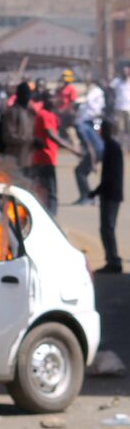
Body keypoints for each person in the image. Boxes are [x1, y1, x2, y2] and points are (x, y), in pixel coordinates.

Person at [32, 91, 81, 216]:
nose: (53, 100)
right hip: (44, 158)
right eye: (50, 98)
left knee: (45, 191)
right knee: (51, 192)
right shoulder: (43, 115)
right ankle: (52, 220)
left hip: (49, 158)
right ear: (45, 100)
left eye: (54, 98)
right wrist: (72, 149)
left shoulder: (50, 115)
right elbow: (52, 135)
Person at [90, 120, 124, 273]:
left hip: (111, 194)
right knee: (107, 228)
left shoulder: (112, 147)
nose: (101, 133)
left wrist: (96, 191)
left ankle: (113, 261)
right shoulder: (111, 147)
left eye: (102, 130)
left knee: (107, 228)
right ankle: (111, 259)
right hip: (111, 193)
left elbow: (110, 176)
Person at [73, 80, 105, 205]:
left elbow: (90, 147)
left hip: (96, 151)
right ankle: (89, 196)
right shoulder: (85, 124)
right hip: (99, 150)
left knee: (80, 171)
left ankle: (87, 197)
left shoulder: (80, 126)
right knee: (81, 171)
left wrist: (93, 163)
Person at [1, 82, 37, 177]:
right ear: (18, 95)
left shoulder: (30, 113)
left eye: (28, 94)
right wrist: (31, 141)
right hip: (14, 160)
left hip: (28, 160)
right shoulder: (12, 112)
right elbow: (9, 136)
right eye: (24, 94)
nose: (27, 96)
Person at [111, 65, 130, 149]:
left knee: (129, 128)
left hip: (129, 108)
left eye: (127, 72)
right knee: (120, 129)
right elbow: (109, 89)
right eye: (124, 72)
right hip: (119, 108)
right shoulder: (116, 81)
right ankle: (121, 147)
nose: (125, 73)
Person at [55, 70, 78, 136]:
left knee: (69, 129)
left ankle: (74, 144)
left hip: (67, 114)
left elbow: (72, 102)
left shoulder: (71, 88)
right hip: (60, 113)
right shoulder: (61, 88)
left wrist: (64, 111)